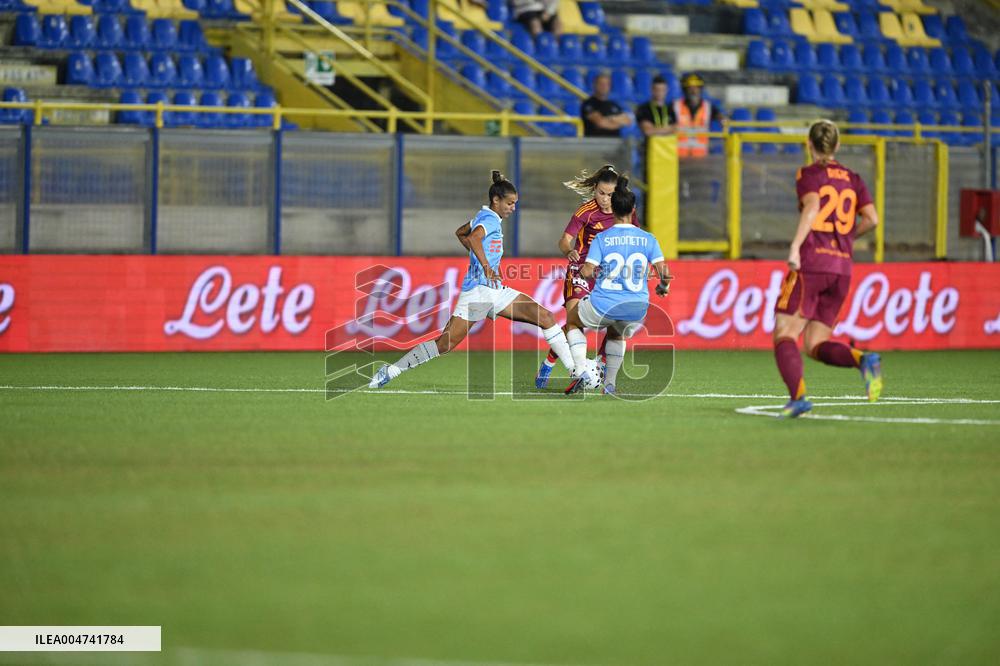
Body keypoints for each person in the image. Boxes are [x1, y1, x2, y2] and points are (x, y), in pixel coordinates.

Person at [369, 171, 592, 390]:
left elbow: (461, 233)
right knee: (445, 344)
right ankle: (390, 371)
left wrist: (478, 258)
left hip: (494, 290)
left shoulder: (484, 216)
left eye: (515, 203)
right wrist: (486, 267)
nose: (513, 208)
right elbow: (474, 237)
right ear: (496, 200)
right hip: (478, 292)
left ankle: (575, 370)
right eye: (510, 203)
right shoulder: (489, 219)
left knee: (545, 317)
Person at [773, 119, 883, 418]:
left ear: (809, 145)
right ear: (837, 146)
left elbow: (812, 206)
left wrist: (796, 245)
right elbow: (872, 218)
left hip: (813, 263)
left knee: (785, 332)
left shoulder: (809, 174)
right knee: (815, 342)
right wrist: (846, 239)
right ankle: (864, 359)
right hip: (842, 268)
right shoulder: (853, 177)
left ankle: (798, 398)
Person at [562, 175, 672, 395]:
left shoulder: (603, 238)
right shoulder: (649, 238)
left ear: (613, 211)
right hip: (637, 309)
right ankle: (610, 384)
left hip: (603, 305)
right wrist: (663, 287)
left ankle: (582, 368)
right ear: (633, 210)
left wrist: (596, 271)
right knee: (617, 333)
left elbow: (586, 270)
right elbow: (665, 274)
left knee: (572, 321)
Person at [535, 164, 638, 389]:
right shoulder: (586, 211)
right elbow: (564, 240)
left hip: (608, 276)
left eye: (610, 195)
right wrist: (568, 251)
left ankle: (599, 366)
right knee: (575, 319)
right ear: (594, 189)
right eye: (601, 193)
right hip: (581, 269)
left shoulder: (625, 211)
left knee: (617, 323)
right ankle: (568, 366)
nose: (605, 199)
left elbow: (636, 237)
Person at [672, 72, 725, 157]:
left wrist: (723, 120)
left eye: (696, 88)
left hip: (700, 157)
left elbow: (720, 117)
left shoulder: (708, 107)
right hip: (679, 156)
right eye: (690, 88)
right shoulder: (675, 106)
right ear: (685, 90)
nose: (693, 91)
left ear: (701, 89)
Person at [580, 72, 633, 138]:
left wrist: (610, 118)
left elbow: (627, 121)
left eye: (607, 84)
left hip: (615, 143)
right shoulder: (588, 104)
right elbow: (601, 123)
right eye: (601, 84)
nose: (604, 87)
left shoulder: (614, 105)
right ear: (594, 85)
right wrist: (617, 121)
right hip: (595, 144)